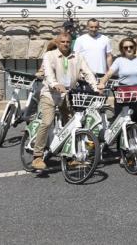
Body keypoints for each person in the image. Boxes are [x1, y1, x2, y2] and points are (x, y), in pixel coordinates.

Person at [31, 30, 99, 171]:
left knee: (72, 124)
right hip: (50, 94)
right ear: (57, 43)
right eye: (62, 42)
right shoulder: (50, 55)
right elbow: (48, 73)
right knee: (47, 122)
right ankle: (37, 156)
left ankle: (69, 157)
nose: (65, 44)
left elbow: (87, 72)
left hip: (68, 94)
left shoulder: (77, 56)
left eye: (68, 42)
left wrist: (96, 87)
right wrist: (55, 84)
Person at [98, 37, 137, 125]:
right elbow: (109, 73)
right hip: (123, 92)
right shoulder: (119, 60)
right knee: (120, 120)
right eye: (126, 47)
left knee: (136, 119)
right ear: (122, 49)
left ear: (135, 47)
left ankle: (136, 133)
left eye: (131, 46)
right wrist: (102, 83)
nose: (129, 49)